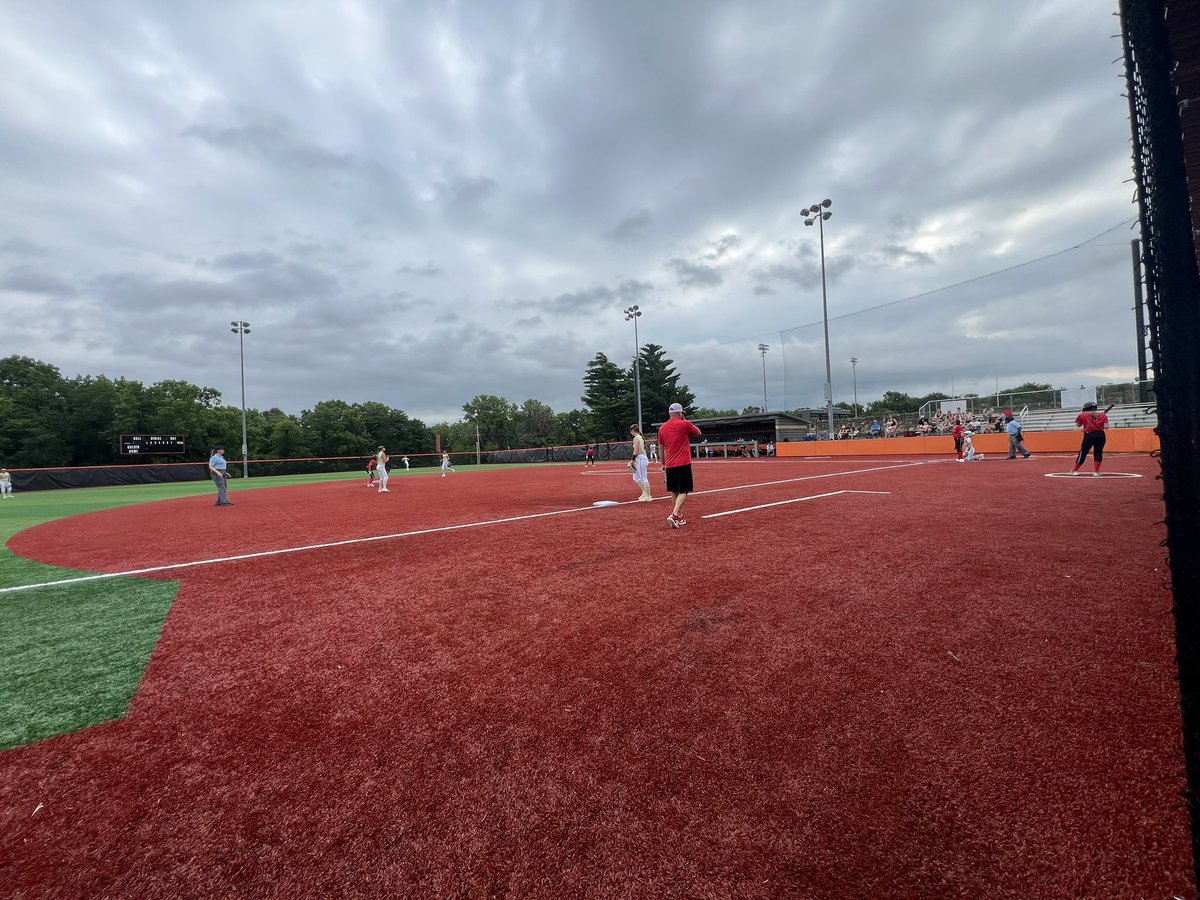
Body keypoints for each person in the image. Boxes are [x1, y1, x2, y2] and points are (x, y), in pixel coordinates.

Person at [658, 402, 701, 528]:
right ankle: (675, 514)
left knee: (674, 490)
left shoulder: (662, 428)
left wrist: (663, 464)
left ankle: (680, 516)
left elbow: (661, 448)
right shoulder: (684, 424)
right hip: (683, 463)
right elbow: (698, 432)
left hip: (670, 464)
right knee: (684, 490)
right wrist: (685, 419)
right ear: (679, 413)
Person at [1071, 401, 1108, 476]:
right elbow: (1106, 427)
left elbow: (1078, 425)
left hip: (1089, 435)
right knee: (1098, 452)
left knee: (1083, 453)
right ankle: (1096, 472)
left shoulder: (1082, 415)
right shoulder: (1103, 415)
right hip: (1100, 435)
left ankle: (1074, 470)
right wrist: (1098, 423)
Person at [628, 424, 652, 501]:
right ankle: (644, 493)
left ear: (632, 431)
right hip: (640, 458)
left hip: (641, 458)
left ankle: (648, 496)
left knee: (642, 477)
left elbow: (636, 451)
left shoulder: (636, 438)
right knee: (636, 477)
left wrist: (632, 461)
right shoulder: (639, 437)